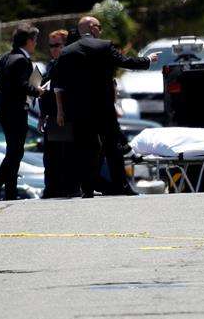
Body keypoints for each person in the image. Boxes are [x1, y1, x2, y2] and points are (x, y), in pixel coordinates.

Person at [54, 15, 159, 197]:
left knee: (84, 148)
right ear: (93, 28)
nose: (100, 31)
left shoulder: (67, 52)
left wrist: (61, 110)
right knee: (112, 147)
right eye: (99, 27)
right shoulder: (103, 46)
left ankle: (86, 188)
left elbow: (59, 82)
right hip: (103, 106)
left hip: (78, 110)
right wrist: (147, 60)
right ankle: (121, 185)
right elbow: (125, 62)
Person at [0, 23, 44, 201]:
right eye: (34, 40)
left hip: (5, 111)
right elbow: (21, 84)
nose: (35, 44)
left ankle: (10, 192)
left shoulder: (6, 57)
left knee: (13, 152)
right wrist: (38, 91)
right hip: (16, 112)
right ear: (28, 41)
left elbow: (0, 82)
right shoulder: (21, 60)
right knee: (15, 153)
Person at [40, 29, 75, 198]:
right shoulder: (51, 65)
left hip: (63, 115)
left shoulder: (67, 64)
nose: (53, 49)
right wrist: (42, 115)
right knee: (51, 157)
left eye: (57, 45)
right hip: (51, 116)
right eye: (50, 46)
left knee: (64, 155)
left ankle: (65, 188)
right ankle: (52, 188)